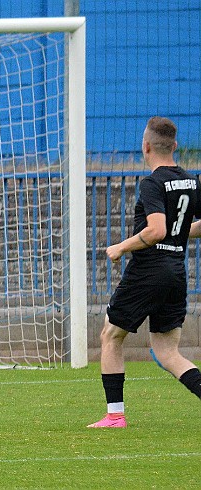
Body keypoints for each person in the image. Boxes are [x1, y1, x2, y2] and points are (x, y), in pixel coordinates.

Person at [88, 116, 201, 428]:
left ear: (146, 146)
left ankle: (114, 416)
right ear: (174, 146)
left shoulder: (152, 183)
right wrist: (178, 235)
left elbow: (155, 230)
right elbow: (177, 228)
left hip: (149, 269)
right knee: (167, 351)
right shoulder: (190, 181)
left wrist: (120, 248)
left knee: (111, 335)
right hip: (176, 269)